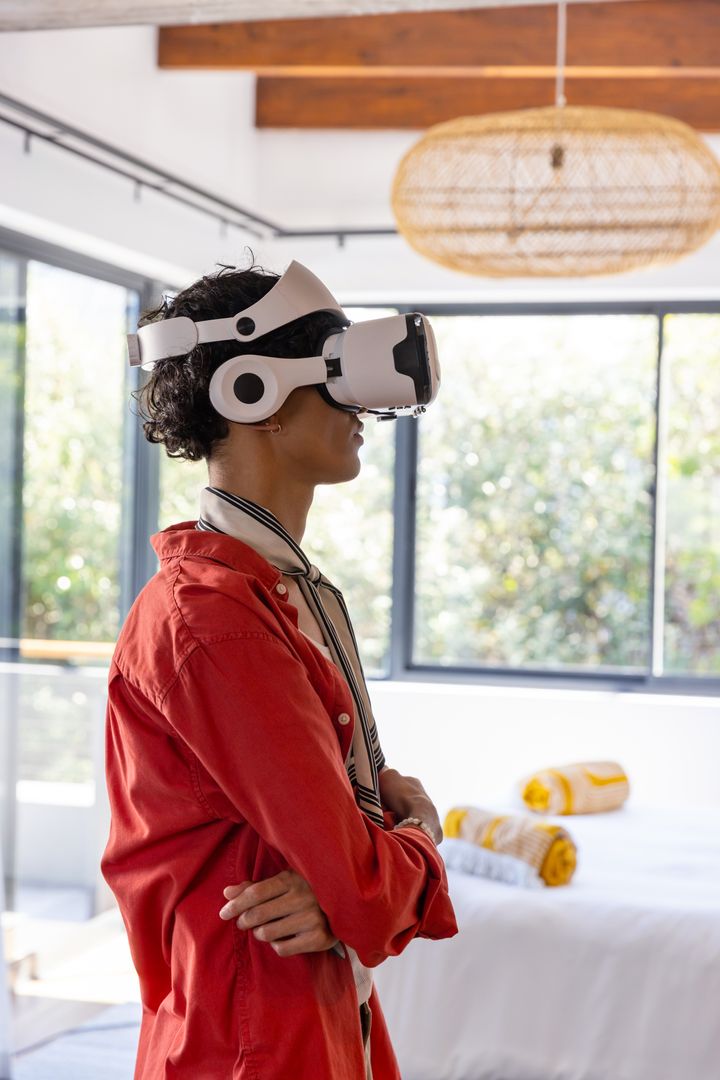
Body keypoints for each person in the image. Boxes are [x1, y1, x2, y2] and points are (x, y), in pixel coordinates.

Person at [101, 258, 458, 1079]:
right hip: (252, 1040)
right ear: (253, 393)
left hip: (318, 1009)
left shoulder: (270, 596)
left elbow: (348, 886)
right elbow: (362, 891)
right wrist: (421, 833)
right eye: (336, 374)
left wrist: (351, 882)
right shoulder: (216, 624)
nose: (364, 407)